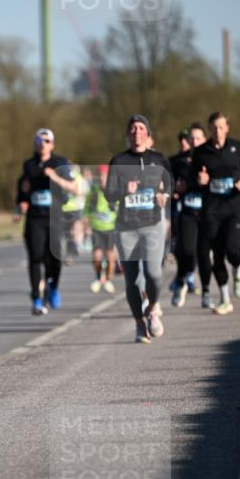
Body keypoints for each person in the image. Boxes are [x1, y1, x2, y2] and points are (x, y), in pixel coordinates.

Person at [105, 115, 172, 343]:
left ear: (147, 133)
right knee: (132, 280)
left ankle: (152, 307)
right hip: (126, 229)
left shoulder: (159, 159)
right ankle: (139, 324)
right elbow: (109, 195)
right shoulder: (118, 160)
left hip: (152, 225)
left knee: (153, 274)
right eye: (132, 128)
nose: (136, 132)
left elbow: (169, 187)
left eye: (141, 128)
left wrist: (164, 195)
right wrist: (125, 189)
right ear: (128, 134)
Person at [13, 128, 77, 315]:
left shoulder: (60, 163)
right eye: (40, 141)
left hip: (56, 218)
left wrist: (54, 177)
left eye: (47, 141)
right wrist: (20, 206)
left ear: (52, 144)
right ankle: (35, 297)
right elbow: (23, 191)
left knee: (55, 259)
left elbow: (73, 188)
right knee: (35, 257)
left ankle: (53, 288)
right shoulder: (29, 166)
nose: (43, 144)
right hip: (35, 218)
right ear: (35, 144)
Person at [190, 111, 240, 315]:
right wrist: (199, 180)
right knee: (217, 255)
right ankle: (224, 299)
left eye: (221, 127)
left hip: (234, 207)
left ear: (227, 128)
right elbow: (192, 179)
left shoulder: (238, 148)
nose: (217, 131)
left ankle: (238, 268)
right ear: (209, 130)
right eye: (213, 128)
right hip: (212, 209)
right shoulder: (202, 152)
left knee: (233, 250)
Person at [171, 123, 212, 308]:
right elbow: (174, 185)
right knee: (186, 249)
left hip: (208, 211)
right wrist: (178, 188)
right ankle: (182, 279)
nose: (194, 142)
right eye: (191, 139)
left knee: (203, 253)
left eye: (198, 138)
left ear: (204, 139)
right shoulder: (180, 161)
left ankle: (206, 290)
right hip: (188, 210)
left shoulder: (212, 158)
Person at [84, 164, 117, 293]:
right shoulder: (93, 191)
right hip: (96, 228)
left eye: (105, 176)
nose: (103, 179)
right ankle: (98, 277)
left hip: (111, 228)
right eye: (101, 176)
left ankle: (108, 279)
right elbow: (86, 209)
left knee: (110, 258)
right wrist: (86, 224)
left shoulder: (115, 191)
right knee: (96, 257)